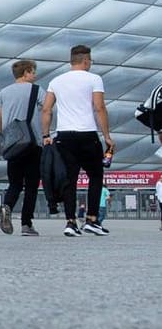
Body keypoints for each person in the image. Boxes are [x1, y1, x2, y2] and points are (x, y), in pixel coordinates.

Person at [40, 44, 115, 237]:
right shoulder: (94, 79)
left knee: (69, 180)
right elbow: (99, 108)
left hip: (64, 136)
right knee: (96, 176)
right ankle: (91, 219)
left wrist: (46, 135)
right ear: (85, 60)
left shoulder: (56, 81)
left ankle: (70, 222)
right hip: (87, 134)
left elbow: (46, 109)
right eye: (90, 60)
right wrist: (106, 136)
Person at [0, 59, 44, 236]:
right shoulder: (37, 90)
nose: (35, 75)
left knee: (14, 183)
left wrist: (1, 139)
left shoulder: (3, 92)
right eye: (33, 72)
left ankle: (7, 205)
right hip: (32, 143)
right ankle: (26, 225)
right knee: (31, 185)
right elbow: (46, 111)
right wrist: (46, 134)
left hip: (13, 144)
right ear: (26, 73)